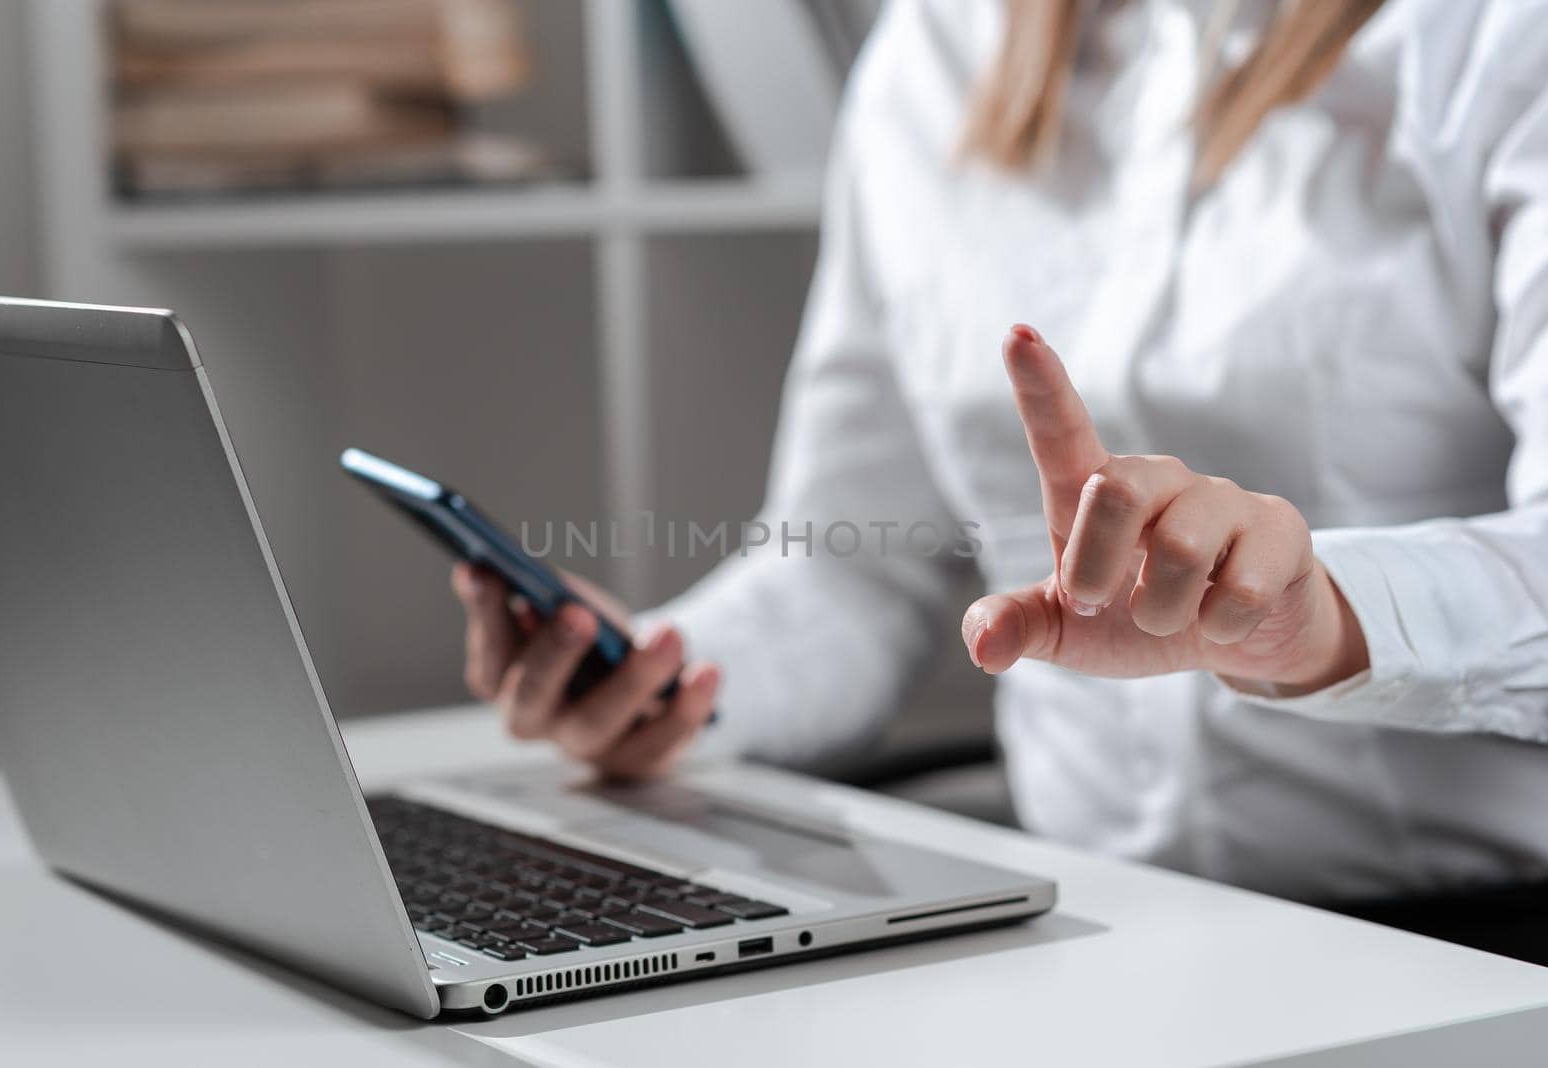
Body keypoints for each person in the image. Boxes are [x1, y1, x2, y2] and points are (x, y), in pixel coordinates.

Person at [452, 0, 1548, 952]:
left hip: (1471, 935)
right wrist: (661, 680)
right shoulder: (931, 53)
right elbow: (849, 571)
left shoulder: (1495, 40)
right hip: (1083, 934)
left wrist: (1323, 616)